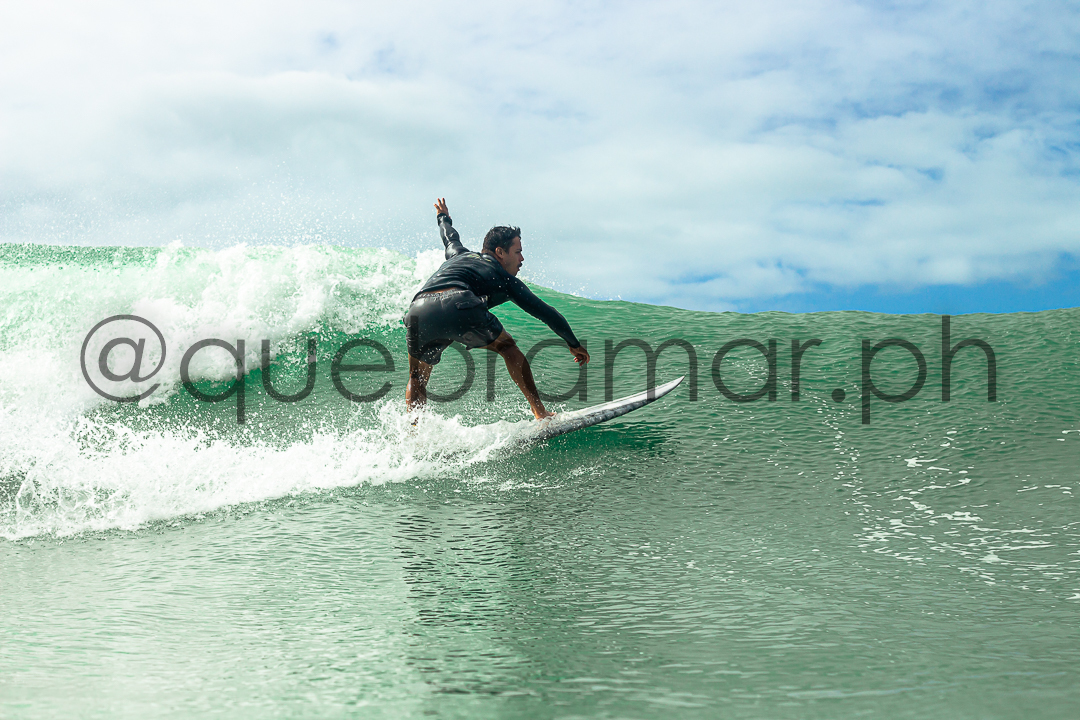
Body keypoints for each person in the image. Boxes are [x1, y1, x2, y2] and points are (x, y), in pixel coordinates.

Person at [403, 198, 589, 419]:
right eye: (517, 252)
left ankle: (413, 432)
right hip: (459, 302)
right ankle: (540, 413)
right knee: (508, 348)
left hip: (418, 309)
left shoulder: (458, 254)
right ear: (500, 252)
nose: (522, 259)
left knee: (416, 376)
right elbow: (546, 313)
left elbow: (449, 237)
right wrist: (574, 344)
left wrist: (443, 217)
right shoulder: (505, 279)